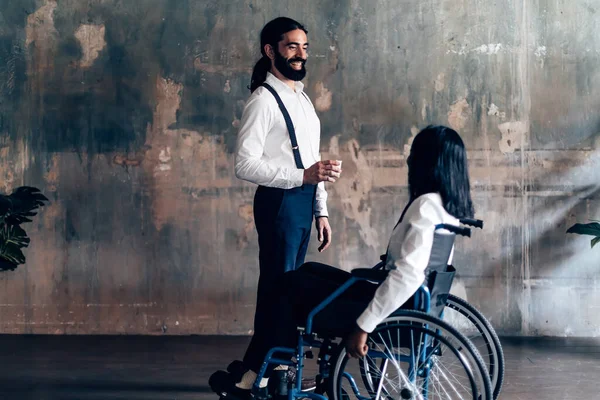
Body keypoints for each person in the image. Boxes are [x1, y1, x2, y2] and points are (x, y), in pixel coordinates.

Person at [210, 125, 475, 399]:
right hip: (406, 303)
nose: (408, 161)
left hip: (389, 310)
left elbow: (407, 277)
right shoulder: (445, 208)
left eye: (413, 154)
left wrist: (363, 327)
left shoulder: (426, 206)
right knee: (306, 271)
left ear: (428, 162)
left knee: (286, 288)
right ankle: (268, 370)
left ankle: (266, 375)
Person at [233, 17, 342, 393]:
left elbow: (312, 160)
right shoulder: (263, 100)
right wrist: (302, 179)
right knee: (279, 291)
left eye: (304, 47)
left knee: (284, 291)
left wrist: (321, 210)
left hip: (302, 202)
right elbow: (244, 164)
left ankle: (258, 371)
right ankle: (262, 375)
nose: (300, 54)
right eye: (291, 46)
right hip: (279, 202)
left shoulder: (301, 97)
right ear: (271, 50)